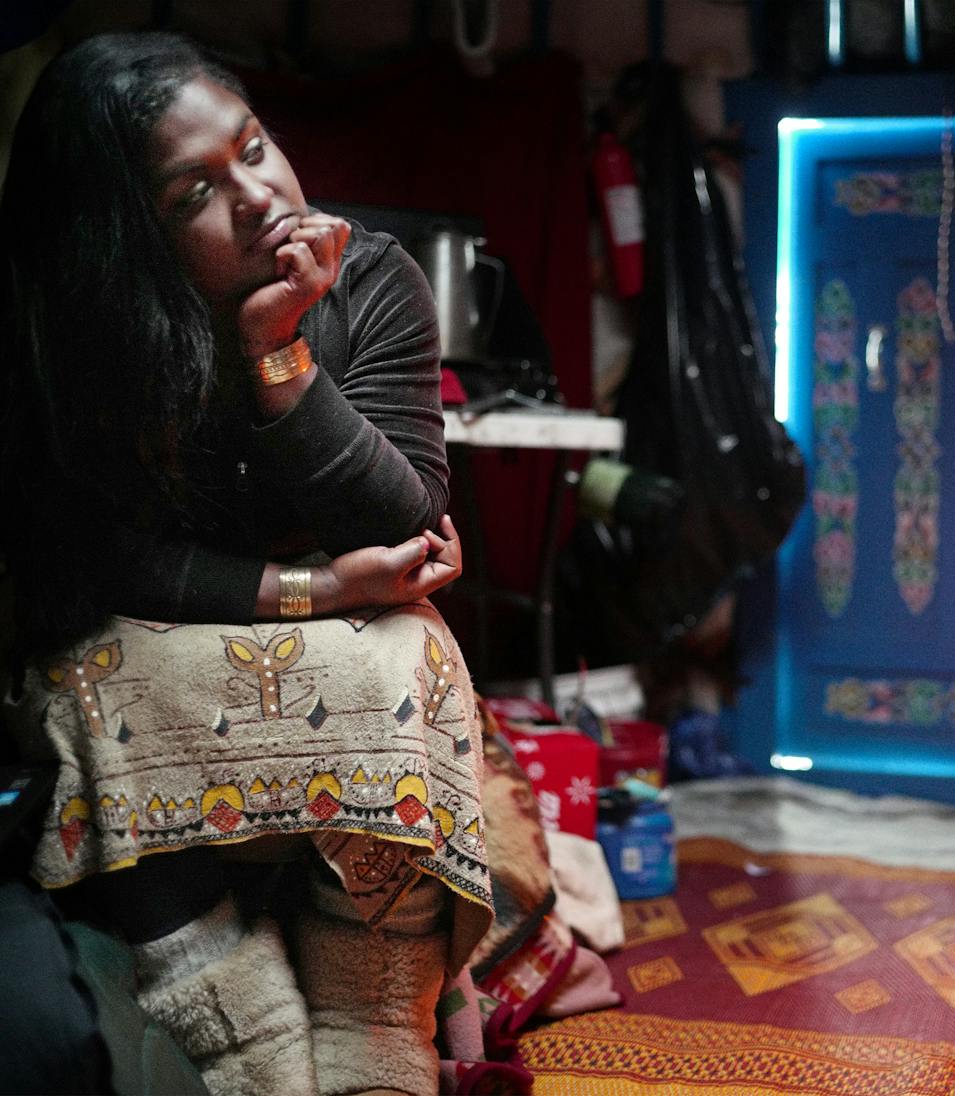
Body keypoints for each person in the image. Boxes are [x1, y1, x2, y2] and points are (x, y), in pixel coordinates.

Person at [0, 31, 495, 1096]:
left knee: (409, 653)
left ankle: (374, 1018)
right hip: (153, 641)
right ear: (124, 239)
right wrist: (316, 587)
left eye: (255, 146)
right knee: (92, 672)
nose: (260, 195)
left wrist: (280, 359)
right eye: (194, 195)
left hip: (327, 646)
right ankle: (249, 1036)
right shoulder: (83, 335)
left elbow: (407, 519)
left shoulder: (367, 279)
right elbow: (78, 559)